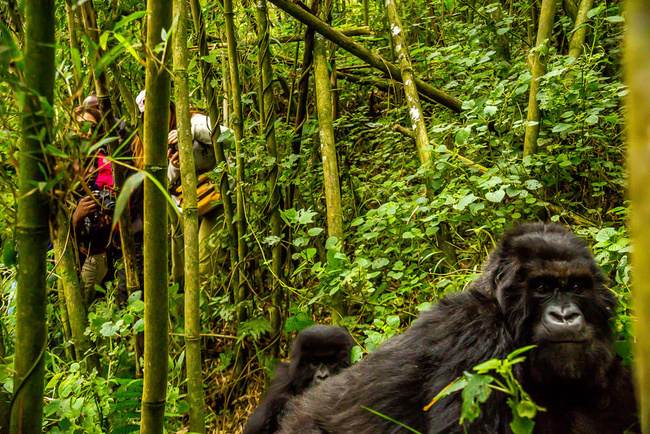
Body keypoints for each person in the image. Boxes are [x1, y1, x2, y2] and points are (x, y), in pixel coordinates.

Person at [134, 90, 233, 291]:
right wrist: (177, 165)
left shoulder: (194, 122)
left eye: (159, 110)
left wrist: (189, 133)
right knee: (180, 272)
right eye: (149, 115)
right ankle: (185, 317)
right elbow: (156, 183)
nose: (156, 118)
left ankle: (213, 315)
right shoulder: (149, 142)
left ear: (169, 107)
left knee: (206, 263)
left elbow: (230, 137)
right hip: (182, 207)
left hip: (215, 200)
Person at [71, 106, 118, 305]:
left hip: (101, 252)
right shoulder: (60, 167)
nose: (89, 132)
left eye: (94, 127)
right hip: (69, 254)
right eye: (83, 126)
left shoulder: (108, 162)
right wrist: (76, 217)